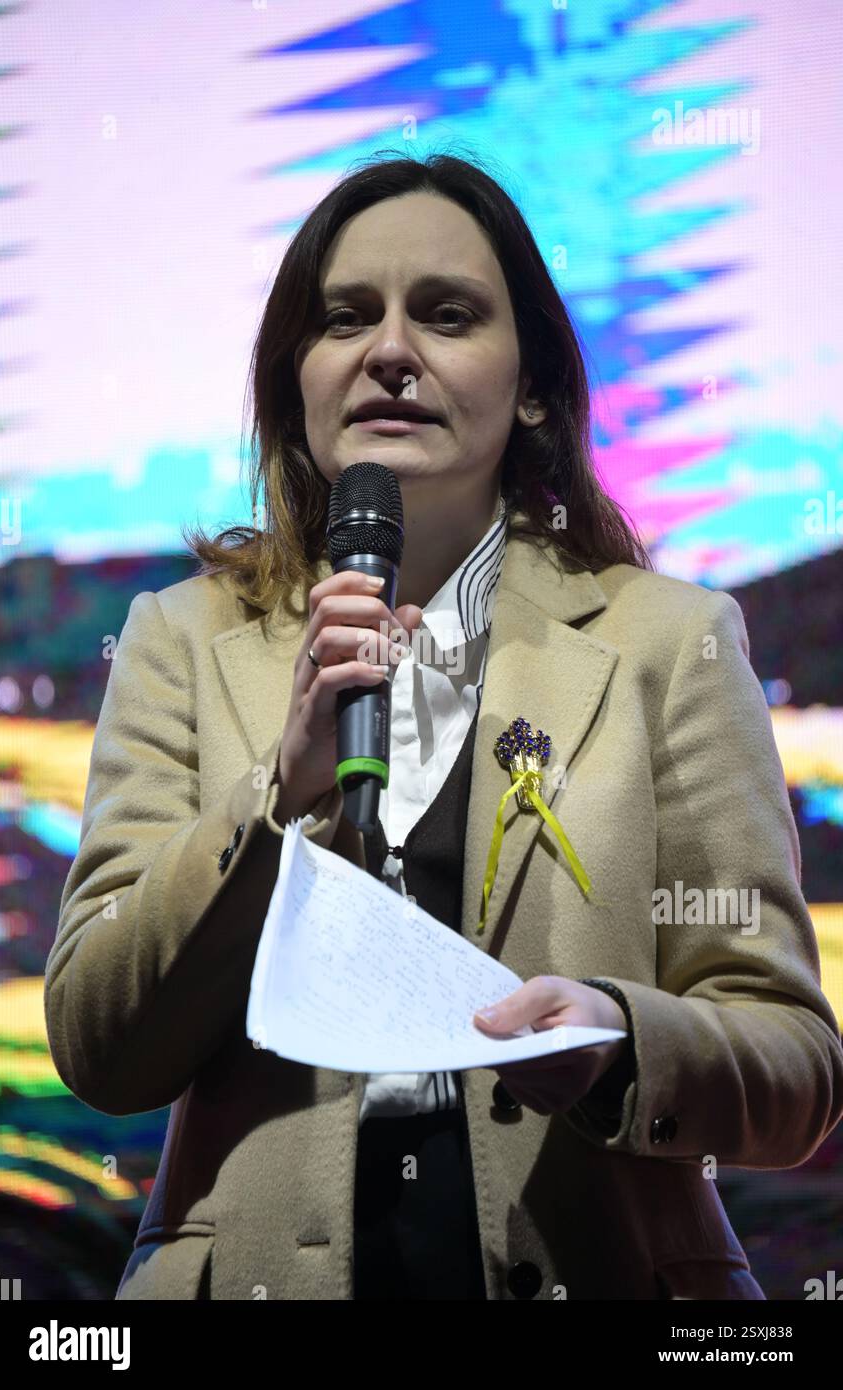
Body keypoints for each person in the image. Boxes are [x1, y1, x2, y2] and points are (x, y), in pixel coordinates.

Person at [45, 151, 843, 1301]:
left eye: (448, 313)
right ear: (297, 381)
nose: (389, 351)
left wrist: (622, 1037)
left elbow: (795, 1064)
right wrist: (278, 792)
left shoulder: (672, 641)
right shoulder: (175, 639)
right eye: (344, 317)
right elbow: (97, 1040)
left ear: (529, 385)